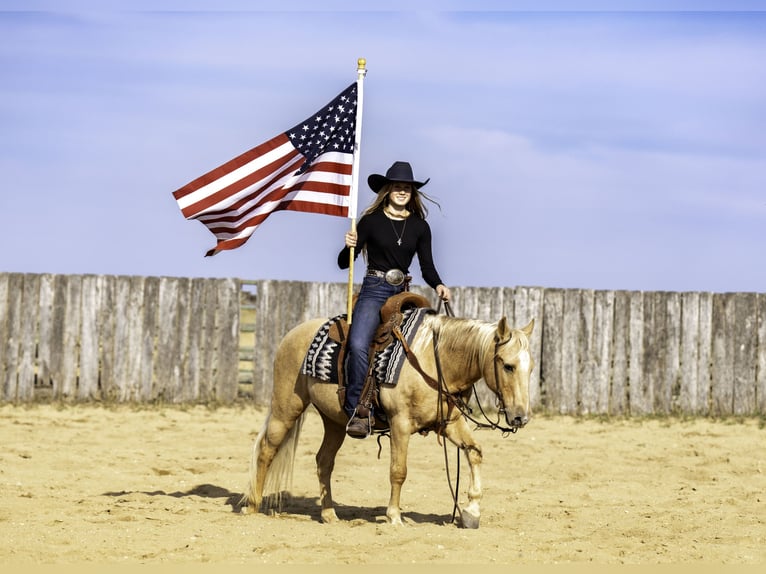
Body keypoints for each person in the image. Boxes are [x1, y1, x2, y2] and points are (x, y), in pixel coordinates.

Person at [337, 160, 451, 439]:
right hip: (374, 288)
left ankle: (420, 406)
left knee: (425, 345)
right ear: (387, 190)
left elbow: (426, 266)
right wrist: (349, 246)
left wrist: (438, 284)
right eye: (397, 187)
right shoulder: (371, 221)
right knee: (358, 342)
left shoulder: (420, 227)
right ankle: (358, 410)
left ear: (413, 193)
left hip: (404, 293)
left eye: (407, 188)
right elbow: (343, 263)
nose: (402, 191)